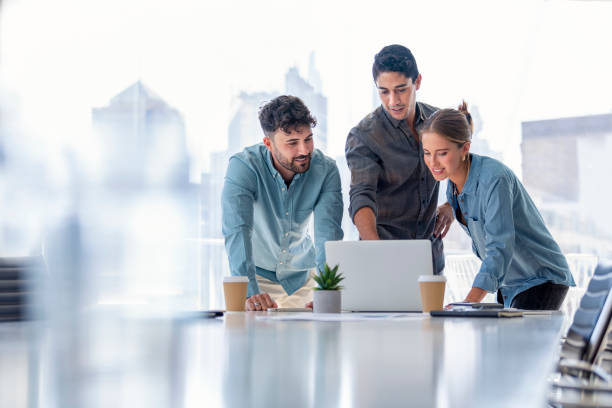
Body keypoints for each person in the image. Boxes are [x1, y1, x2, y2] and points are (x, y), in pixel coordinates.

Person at [420, 102, 575, 309]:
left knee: (516, 341)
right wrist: (449, 206)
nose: (433, 162)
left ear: (465, 148)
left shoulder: (495, 179)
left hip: (540, 278)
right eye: (427, 153)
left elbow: (499, 247)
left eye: (442, 153)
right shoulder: (453, 186)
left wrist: (468, 302)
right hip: (510, 283)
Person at [222, 95, 344, 311]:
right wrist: (250, 294)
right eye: (292, 143)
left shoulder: (326, 170)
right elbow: (237, 232)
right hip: (257, 278)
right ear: (268, 143)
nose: (304, 151)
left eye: (308, 139)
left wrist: (327, 290)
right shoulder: (243, 167)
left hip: (303, 278)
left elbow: (328, 235)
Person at [345, 44, 453, 274]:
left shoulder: (440, 121)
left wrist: (451, 204)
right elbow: (361, 196)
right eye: (384, 91)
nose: (393, 100)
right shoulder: (365, 135)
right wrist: (378, 252)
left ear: (418, 82)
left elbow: (465, 168)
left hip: (430, 258)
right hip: (382, 256)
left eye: (401, 89)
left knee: (432, 312)